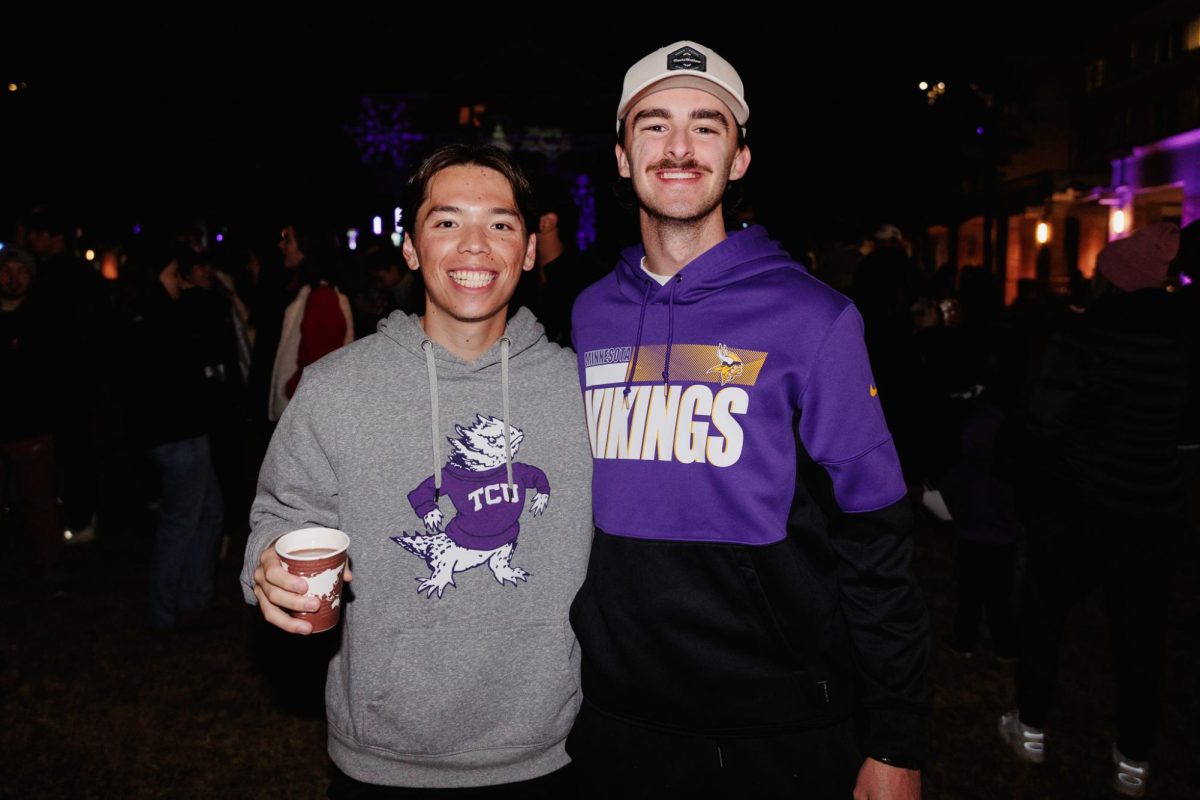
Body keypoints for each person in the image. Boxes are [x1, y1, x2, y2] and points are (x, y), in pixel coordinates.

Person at [566, 41, 928, 799]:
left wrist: (896, 736)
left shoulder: (814, 316)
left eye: (707, 126)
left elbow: (878, 534)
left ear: (739, 158)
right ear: (624, 157)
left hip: (779, 721)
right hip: (616, 714)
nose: (679, 148)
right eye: (654, 125)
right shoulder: (591, 311)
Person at [242, 144, 592, 796]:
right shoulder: (334, 388)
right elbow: (284, 515)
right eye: (446, 221)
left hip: (549, 753)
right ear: (409, 248)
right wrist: (269, 562)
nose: (475, 246)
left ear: (529, 250)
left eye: (501, 224)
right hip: (382, 756)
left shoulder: (583, 393)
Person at [1000, 223, 1189, 798]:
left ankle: (1030, 725)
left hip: (1079, 503)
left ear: (1114, 278)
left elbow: (1044, 418)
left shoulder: (1084, 336)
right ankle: (1133, 758)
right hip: (1150, 508)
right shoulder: (1186, 341)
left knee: (1045, 613)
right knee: (1141, 635)